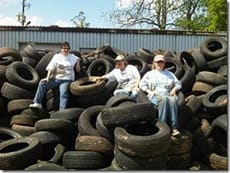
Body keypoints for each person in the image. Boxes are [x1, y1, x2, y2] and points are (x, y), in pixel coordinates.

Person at [29, 41, 81, 110]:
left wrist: (78, 62)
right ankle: (37, 103)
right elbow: (51, 67)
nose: (66, 50)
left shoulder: (72, 57)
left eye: (67, 49)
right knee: (42, 83)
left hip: (66, 79)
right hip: (57, 79)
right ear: (61, 49)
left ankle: (62, 111)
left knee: (63, 94)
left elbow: (78, 70)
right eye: (64, 48)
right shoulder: (56, 57)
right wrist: (47, 77)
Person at [139, 54, 182, 136]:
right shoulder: (150, 74)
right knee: (164, 99)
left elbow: (178, 83)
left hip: (167, 94)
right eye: (158, 62)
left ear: (164, 63)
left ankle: (174, 128)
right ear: (154, 63)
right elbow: (141, 84)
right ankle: (163, 126)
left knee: (173, 100)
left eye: (161, 62)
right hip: (155, 95)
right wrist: (149, 91)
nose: (160, 64)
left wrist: (174, 90)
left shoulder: (169, 74)